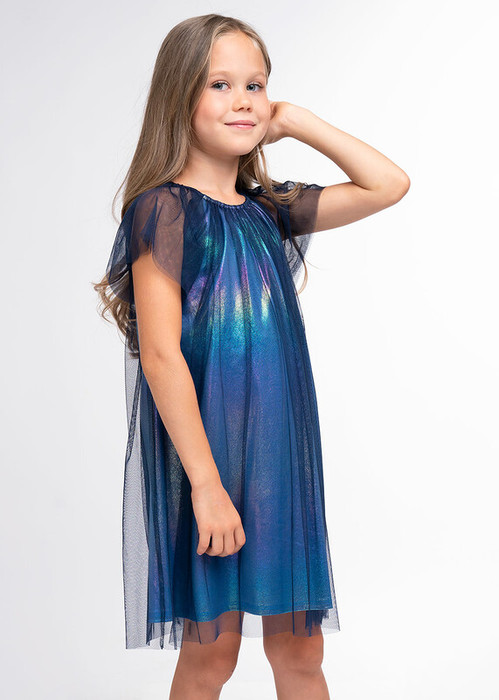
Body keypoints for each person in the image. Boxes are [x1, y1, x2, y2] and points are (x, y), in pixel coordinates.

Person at [94, 13, 410, 700]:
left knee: (300, 654)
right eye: (220, 84)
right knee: (212, 656)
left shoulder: (269, 210)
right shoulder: (162, 211)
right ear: (179, 95)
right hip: (207, 462)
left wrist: (294, 119)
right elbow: (160, 356)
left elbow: (387, 184)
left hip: (277, 460)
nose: (242, 100)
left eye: (255, 85)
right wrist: (206, 487)